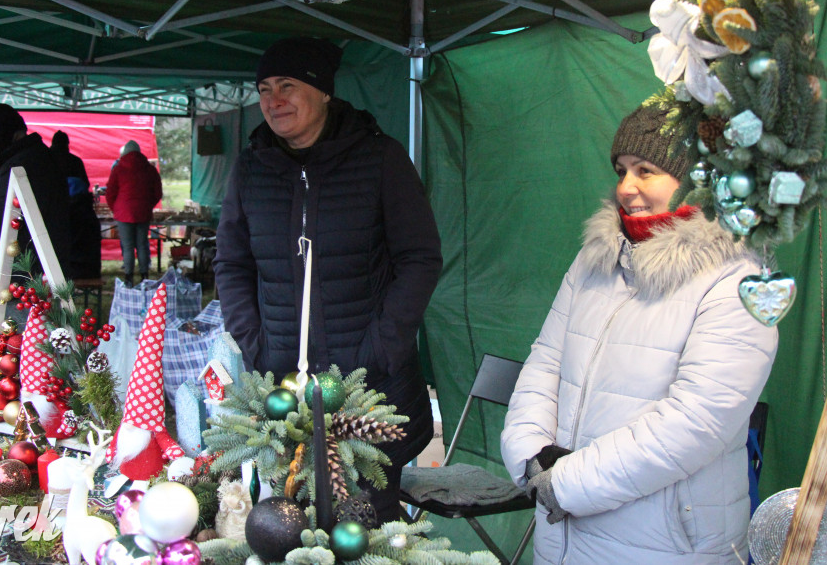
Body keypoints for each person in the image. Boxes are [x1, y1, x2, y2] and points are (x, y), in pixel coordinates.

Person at [500, 105, 779, 565]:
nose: (627, 187)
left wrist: (566, 483)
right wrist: (529, 455)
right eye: (622, 170)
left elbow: (696, 422)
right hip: (561, 530)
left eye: (646, 171)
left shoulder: (737, 280)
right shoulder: (594, 261)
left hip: (665, 545)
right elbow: (546, 361)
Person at [214, 36, 443, 524]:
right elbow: (231, 264)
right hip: (282, 393)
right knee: (284, 526)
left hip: (370, 393)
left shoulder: (379, 159)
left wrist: (380, 347)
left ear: (322, 93)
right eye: (264, 88)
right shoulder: (252, 168)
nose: (273, 100)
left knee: (366, 529)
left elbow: (420, 258)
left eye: (287, 86)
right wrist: (256, 343)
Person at [0, 104, 73, 301]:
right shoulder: (40, 156)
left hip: (23, 265)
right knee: (33, 325)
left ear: (0, 134)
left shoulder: (18, 163)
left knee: (17, 326)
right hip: (39, 259)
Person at [105, 139, 162, 285]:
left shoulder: (118, 168)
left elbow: (110, 192)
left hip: (123, 213)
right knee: (142, 244)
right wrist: (148, 205)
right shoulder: (149, 168)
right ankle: (144, 276)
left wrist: (116, 209)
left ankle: (129, 278)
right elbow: (157, 192)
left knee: (128, 245)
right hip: (143, 212)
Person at [50, 130, 101, 279]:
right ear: (67, 144)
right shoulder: (75, 161)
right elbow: (85, 184)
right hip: (80, 212)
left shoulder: (46, 160)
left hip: (55, 212)